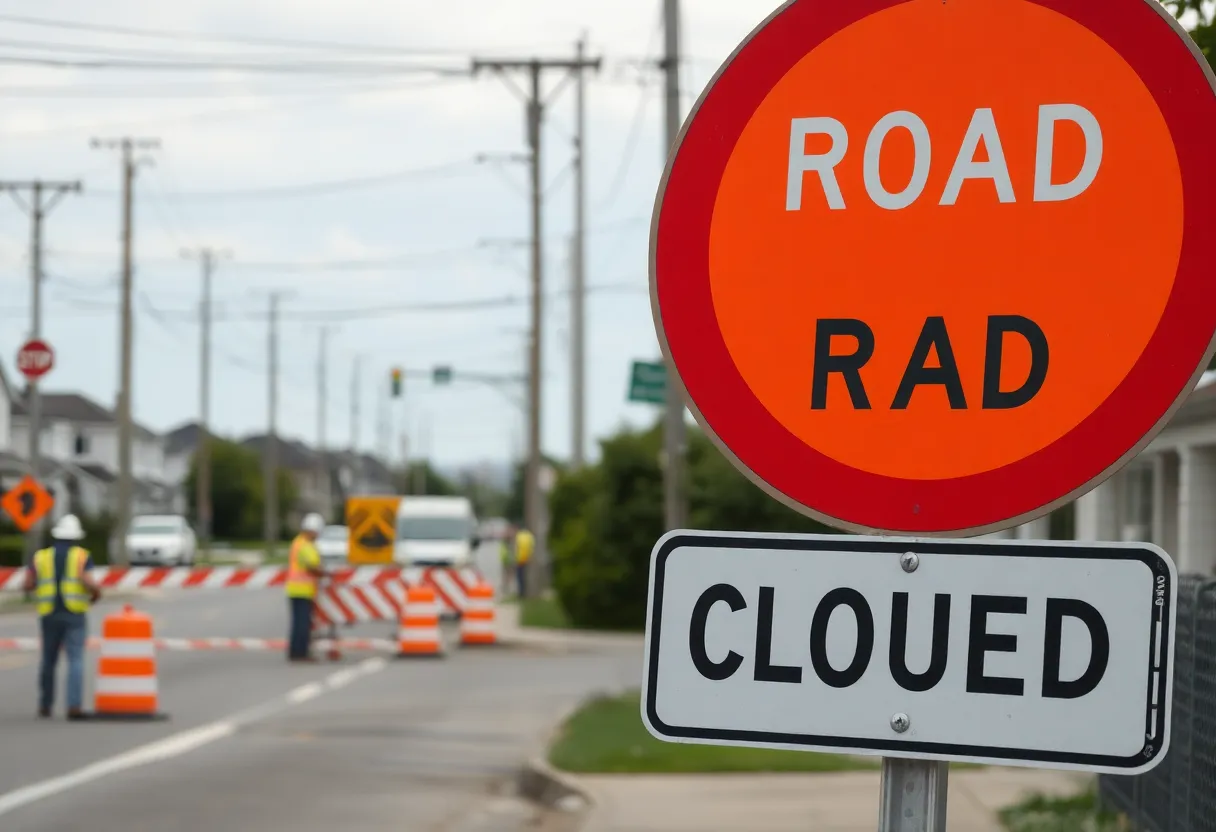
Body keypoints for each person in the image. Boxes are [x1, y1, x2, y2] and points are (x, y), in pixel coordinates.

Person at [23, 514, 101, 720]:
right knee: (75, 660)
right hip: (74, 612)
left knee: (48, 661)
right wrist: (95, 594)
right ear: (76, 537)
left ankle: (45, 705)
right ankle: (73, 706)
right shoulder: (82, 556)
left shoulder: (41, 557)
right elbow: (88, 581)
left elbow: (28, 583)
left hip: (48, 613)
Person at [285, 512, 327, 663]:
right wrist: (325, 574)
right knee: (302, 624)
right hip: (301, 590)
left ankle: (296, 651)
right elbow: (312, 567)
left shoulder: (299, 542)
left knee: (299, 623)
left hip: (299, 589)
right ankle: (299, 653)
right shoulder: (305, 545)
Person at [514, 527, 534, 599]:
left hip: (520, 560)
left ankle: (521, 593)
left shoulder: (518, 536)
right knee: (527, 577)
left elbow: (516, 548)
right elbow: (532, 547)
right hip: (528, 560)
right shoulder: (530, 536)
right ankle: (528, 592)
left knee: (520, 577)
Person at [498, 527, 515, 597]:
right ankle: (506, 587)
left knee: (508, 575)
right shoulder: (507, 542)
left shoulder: (508, 542)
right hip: (506, 560)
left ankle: (506, 587)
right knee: (507, 575)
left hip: (508, 560)